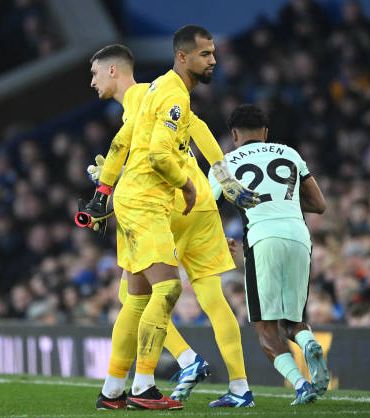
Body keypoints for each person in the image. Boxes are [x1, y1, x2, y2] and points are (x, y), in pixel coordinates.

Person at [78, 26, 258, 411]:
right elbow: (185, 134)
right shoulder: (159, 95)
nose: (91, 82)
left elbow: (158, 149)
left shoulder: (146, 93)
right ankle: (240, 387)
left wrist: (109, 192)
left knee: (136, 294)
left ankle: (171, 367)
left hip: (169, 202)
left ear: (114, 72)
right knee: (210, 296)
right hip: (200, 206)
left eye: (94, 74)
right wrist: (224, 179)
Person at [209, 104, 329, 405]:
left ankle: (301, 384)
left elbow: (206, 208)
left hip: (261, 239)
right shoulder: (289, 153)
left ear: (234, 135)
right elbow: (319, 203)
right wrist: (282, 204)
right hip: (300, 236)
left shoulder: (224, 163)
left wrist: (217, 238)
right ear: (265, 133)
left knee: (265, 327)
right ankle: (308, 341)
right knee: (294, 319)